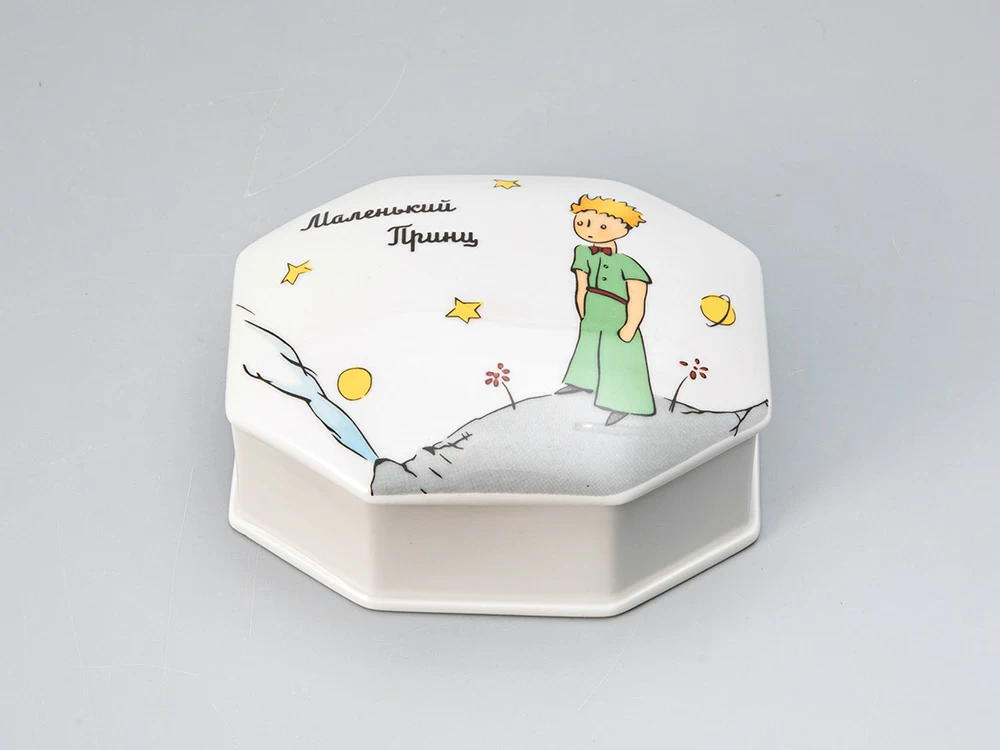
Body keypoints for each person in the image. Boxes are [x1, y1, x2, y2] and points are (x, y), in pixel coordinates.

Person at [557, 195, 655, 425]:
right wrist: (582, 309)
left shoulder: (627, 263)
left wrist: (631, 325)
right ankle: (582, 380)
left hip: (618, 311)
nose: (589, 231)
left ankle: (626, 402)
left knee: (618, 354)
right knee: (588, 346)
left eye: (601, 227)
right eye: (582, 223)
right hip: (593, 306)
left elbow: (637, 297)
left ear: (623, 229)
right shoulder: (583, 253)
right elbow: (581, 283)